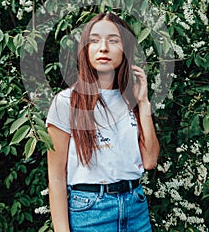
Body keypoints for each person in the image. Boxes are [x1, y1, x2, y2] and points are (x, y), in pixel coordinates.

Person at [46, 12, 160, 232]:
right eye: (95, 40)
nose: (104, 47)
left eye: (113, 40)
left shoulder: (132, 100)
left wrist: (144, 103)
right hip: (91, 213)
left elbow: (150, 161)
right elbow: (57, 177)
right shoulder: (66, 102)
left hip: (136, 209)